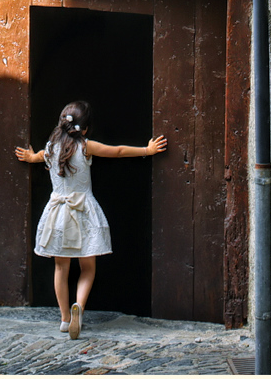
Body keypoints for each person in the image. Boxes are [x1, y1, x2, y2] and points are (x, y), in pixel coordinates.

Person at [15, 100, 167, 338]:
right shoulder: (85, 146)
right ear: (84, 129)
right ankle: (80, 308)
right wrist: (147, 151)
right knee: (87, 268)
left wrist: (30, 156)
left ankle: (65, 318)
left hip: (58, 213)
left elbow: (39, 157)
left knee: (60, 267)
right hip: (84, 211)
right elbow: (117, 151)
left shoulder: (51, 148)